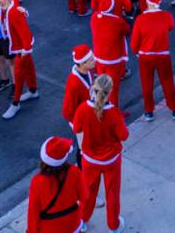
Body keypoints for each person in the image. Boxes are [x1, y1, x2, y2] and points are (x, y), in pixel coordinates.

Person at [73, 73, 129, 233]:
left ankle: (82, 220)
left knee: (88, 192)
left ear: (93, 89)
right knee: (112, 193)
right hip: (111, 160)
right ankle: (113, 225)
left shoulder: (83, 109)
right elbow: (124, 135)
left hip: (90, 160)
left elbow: (77, 128)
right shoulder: (114, 113)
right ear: (110, 92)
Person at [130, 0, 175, 121]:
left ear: (147, 2)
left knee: (146, 84)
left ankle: (148, 111)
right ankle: (174, 108)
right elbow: (170, 27)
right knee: (167, 82)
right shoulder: (166, 16)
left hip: (145, 57)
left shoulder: (140, 19)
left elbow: (134, 43)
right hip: (162, 56)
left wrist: (137, 52)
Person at [26, 136, 87, 233]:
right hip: (73, 224)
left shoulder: (37, 181)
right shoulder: (74, 171)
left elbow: (33, 213)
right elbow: (84, 197)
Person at [0, 0, 39, 119]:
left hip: (21, 48)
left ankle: (15, 103)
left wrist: (26, 50)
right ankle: (33, 90)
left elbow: (24, 32)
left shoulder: (13, 12)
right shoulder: (10, 7)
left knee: (18, 75)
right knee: (29, 68)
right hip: (19, 47)